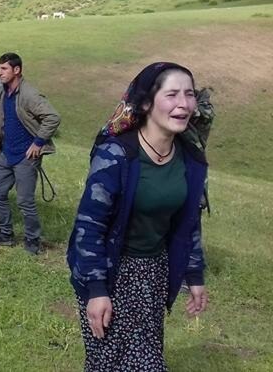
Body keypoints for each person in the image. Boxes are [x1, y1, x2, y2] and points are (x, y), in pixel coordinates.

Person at [67, 62, 208, 370]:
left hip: (153, 274)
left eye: (189, 94)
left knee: (144, 358)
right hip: (110, 272)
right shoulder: (117, 155)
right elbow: (88, 227)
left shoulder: (191, 159)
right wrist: (96, 290)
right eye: (172, 95)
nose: (183, 104)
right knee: (109, 362)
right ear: (146, 102)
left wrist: (194, 275)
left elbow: (189, 223)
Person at [0, 53, 60, 254]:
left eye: (4, 69)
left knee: (25, 201)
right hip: (6, 153)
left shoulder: (29, 94)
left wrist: (38, 143)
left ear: (16, 70)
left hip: (26, 156)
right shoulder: (3, 92)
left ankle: (33, 240)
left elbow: (53, 117)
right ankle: (6, 234)